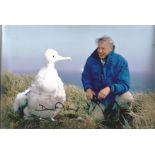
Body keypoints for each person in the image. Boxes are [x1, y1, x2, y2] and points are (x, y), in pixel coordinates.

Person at [82, 35, 134, 127]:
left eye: (103, 49)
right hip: (99, 99)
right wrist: (88, 89)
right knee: (95, 120)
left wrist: (110, 88)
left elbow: (125, 84)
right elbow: (86, 77)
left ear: (111, 49)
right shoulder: (90, 60)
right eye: (98, 48)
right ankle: (109, 114)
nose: (100, 51)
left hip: (115, 96)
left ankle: (124, 117)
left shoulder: (121, 61)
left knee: (127, 98)